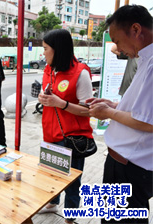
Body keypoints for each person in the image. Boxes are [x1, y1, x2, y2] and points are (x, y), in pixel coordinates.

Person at [87, 5, 153, 224]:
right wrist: (113, 104)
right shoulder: (144, 59)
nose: (117, 47)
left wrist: (109, 113)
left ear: (135, 29)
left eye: (117, 39)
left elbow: (148, 123)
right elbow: (141, 108)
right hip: (124, 163)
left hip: (131, 168)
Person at [37, 29, 94, 224]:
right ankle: (53, 203)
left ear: (58, 49)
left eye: (45, 49)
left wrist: (60, 103)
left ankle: (70, 217)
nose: (42, 53)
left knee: (71, 181)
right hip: (50, 133)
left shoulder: (81, 73)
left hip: (71, 138)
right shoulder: (50, 69)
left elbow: (89, 110)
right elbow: (49, 96)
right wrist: (43, 98)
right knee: (52, 174)